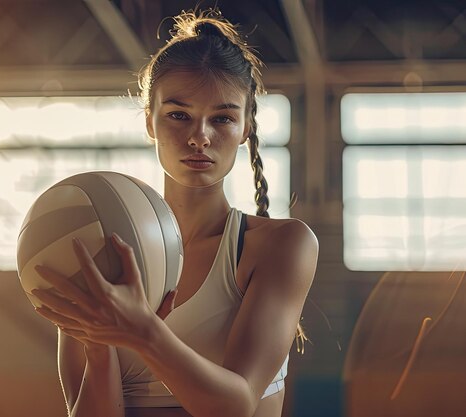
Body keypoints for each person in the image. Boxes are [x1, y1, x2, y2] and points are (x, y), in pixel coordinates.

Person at [32, 9, 318, 417]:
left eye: (222, 118)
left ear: (246, 128)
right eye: (178, 115)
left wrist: (140, 331)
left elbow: (234, 406)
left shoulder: (282, 245)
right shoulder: (101, 250)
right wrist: (99, 346)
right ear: (150, 120)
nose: (199, 136)